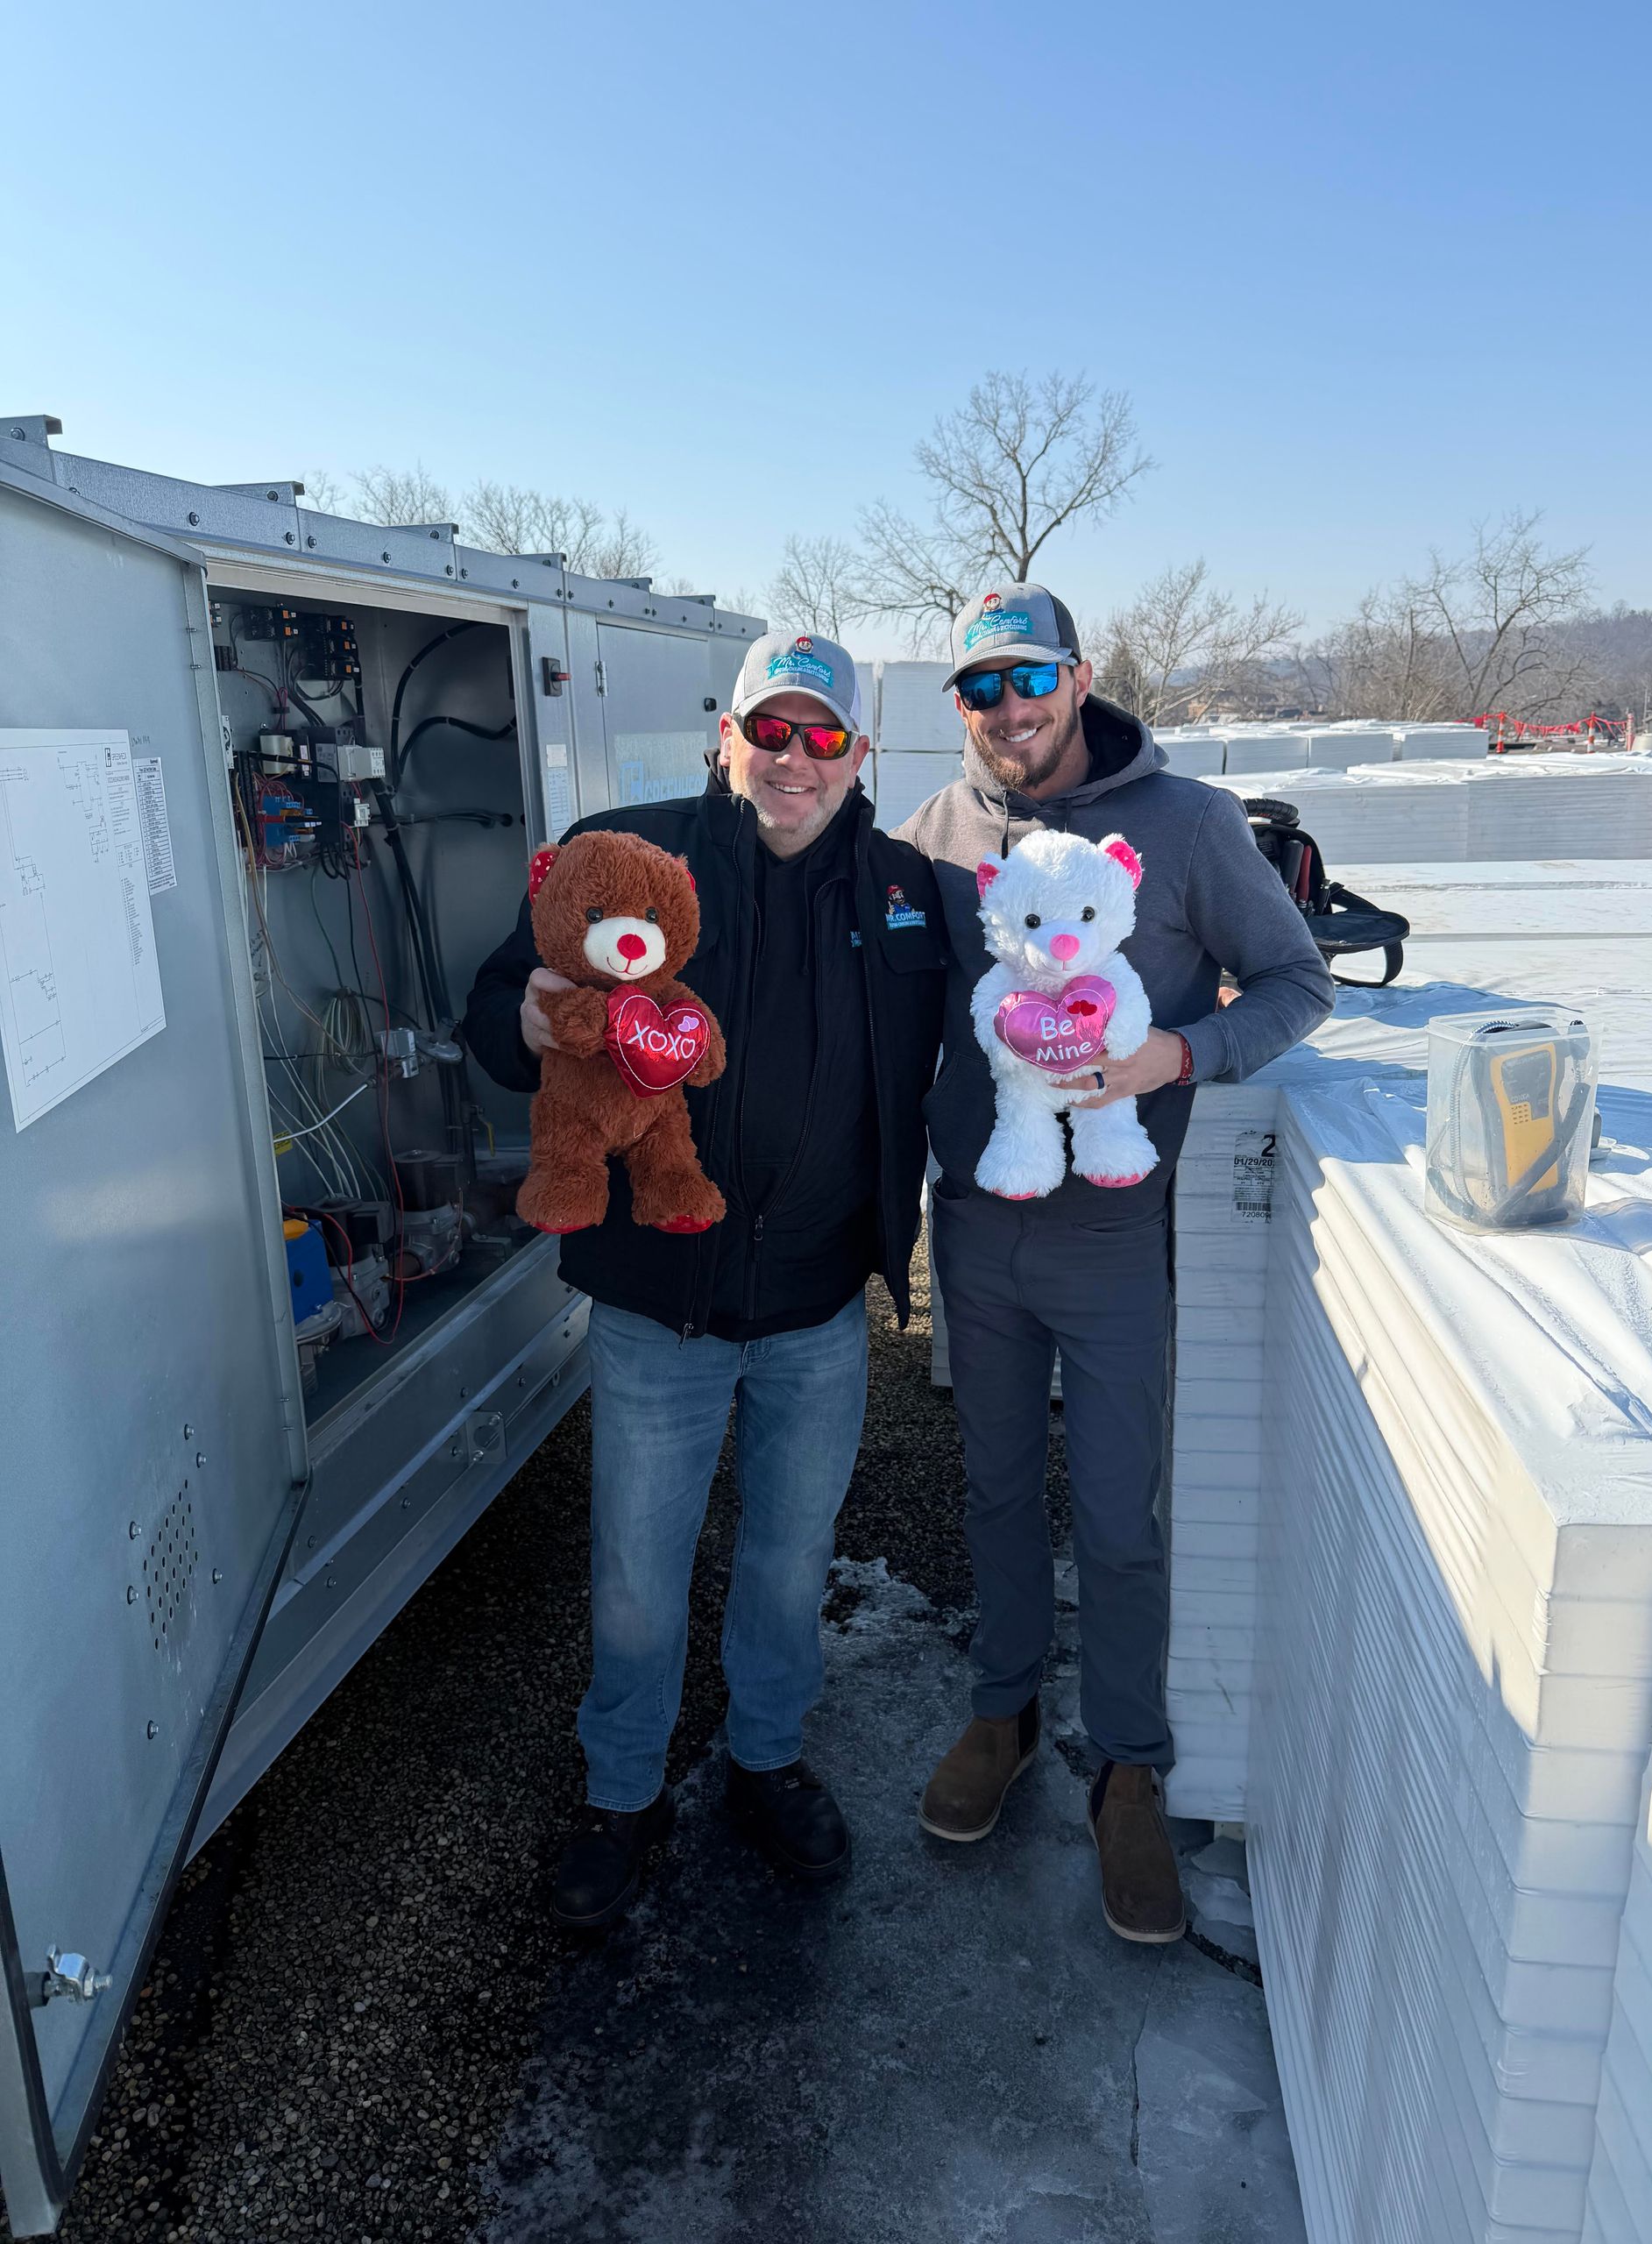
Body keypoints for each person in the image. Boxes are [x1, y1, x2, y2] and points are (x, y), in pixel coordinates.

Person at [464, 630, 946, 1928]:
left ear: (861, 757)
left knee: (790, 1561)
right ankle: (622, 1794)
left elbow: (1034, 988)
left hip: (816, 1310)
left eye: (823, 737)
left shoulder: (910, 893)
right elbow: (497, 1002)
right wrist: (525, 1018)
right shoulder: (630, 857)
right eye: (770, 731)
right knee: (636, 1568)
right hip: (657, 1306)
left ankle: (764, 1760)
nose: (794, 759)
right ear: (724, 738)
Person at [895, 584, 1334, 1942]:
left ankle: (1129, 1766)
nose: (1007, 710)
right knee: (994, 1487)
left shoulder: (1190, 825)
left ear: (1078, 677)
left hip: (1112, 1236)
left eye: (1028, 679)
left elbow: (1296, 982)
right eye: (979, 688)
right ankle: (1004, 1712)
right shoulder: (938, 831)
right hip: (974, 1223)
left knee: (1121, 1511)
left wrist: (1173, 1056)